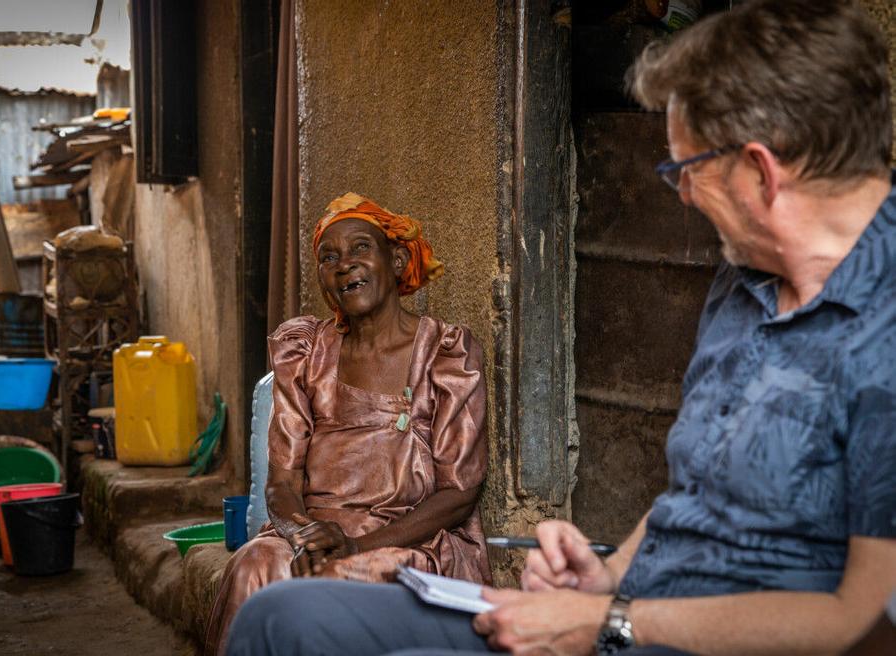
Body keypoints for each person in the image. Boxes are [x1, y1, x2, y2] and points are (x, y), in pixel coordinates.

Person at [224, 1, 896, 654]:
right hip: (621, 618)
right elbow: (691, 498)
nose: (682, 194)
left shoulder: (882, 332)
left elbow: (864, 623)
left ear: (761, 170)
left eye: (685, 171)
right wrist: (602, 577)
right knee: (282, 615)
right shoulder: (746, 278)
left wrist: (616, 621)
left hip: (676, 638)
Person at [203, 192, 492, 655]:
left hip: (408, 539)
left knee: (333, 580)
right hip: (315, 535)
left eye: (361, 248)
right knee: (254, 564)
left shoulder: (446, 353)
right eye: (329, 257)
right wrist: (300, 533)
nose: (344, 265)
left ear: (396, 261)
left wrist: (357, 547)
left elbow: (459, 494)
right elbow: (281, 481)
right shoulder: (306, 354)